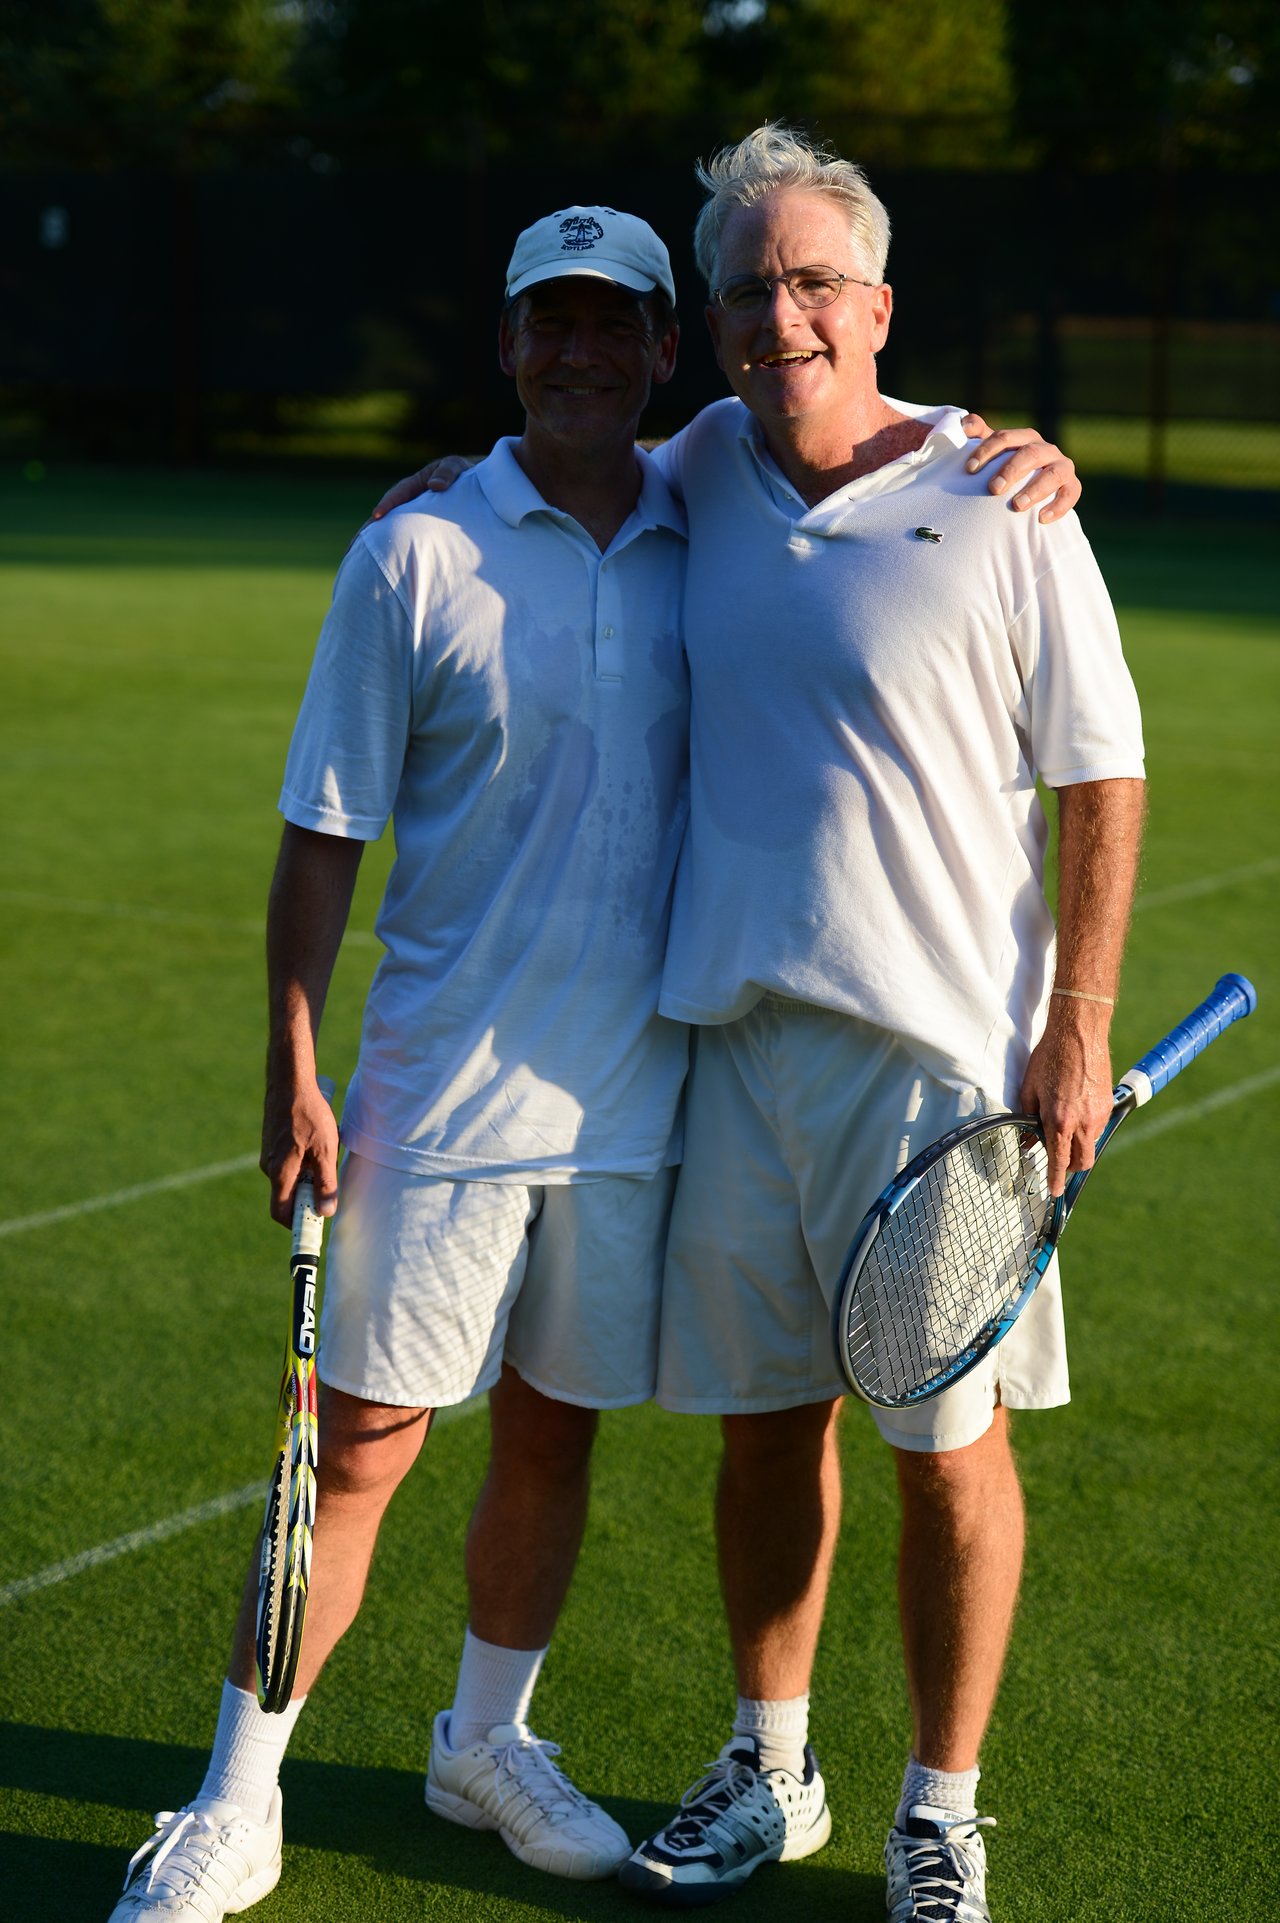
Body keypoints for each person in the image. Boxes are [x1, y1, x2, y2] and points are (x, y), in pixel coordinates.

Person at [377, 125, 1142, 1922]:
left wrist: (1079, 1023)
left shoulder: (1001, 498)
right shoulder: (701, 462)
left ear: (879, 303)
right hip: (727, 1044)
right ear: (709, 322)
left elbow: (1099, 776)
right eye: (744, 287)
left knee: (948, 1455)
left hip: (941, 1067)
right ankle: (771, 1766)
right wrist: (451, 471)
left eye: (810, 282)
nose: (776, 314)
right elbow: (572, 469)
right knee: (761, 1429)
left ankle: (941, 1808)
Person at [107, 202, 692, 1921]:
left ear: (666, 350)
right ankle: (236, 1799)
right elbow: (320, 834)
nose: (581, 352)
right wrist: (289, 1058)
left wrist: (1000, 439)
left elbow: (844, 415)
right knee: (353, 1447)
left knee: (554, 1434)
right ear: (507, 345)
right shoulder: (415, 549)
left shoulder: (713, 522)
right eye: (549, 324)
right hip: (440, 1086)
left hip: (639, 1096)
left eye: (616, 326)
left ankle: (480, 1744)